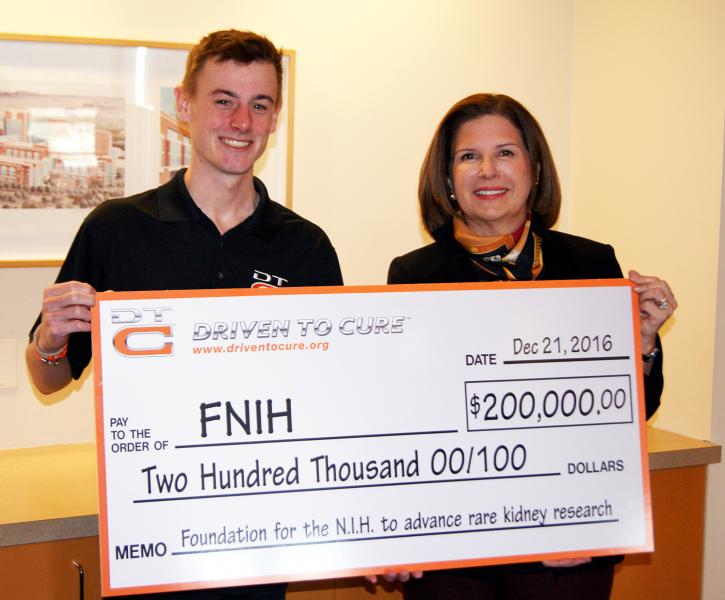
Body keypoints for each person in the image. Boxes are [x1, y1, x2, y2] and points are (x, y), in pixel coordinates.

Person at [26, 30, 342, 600]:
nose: (241, 121)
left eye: (260, 104)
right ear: (184, 105)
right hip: (149, 520)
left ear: (276, 118)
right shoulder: (115, 229)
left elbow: (330, 398)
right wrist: (51, 338)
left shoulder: (307, 248)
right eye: (223, 99)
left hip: (261, 530)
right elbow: (49, 377)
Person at [379, 93, 676, 599]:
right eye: (469, 156)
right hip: (456, 545)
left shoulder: (590, 263)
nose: (488, 170)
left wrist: (643, 343)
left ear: (535, 168)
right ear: (447, 178)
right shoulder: (413, 275)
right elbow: (403, 419)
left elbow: (627, 413)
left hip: (566, 544)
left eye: (506, 153)